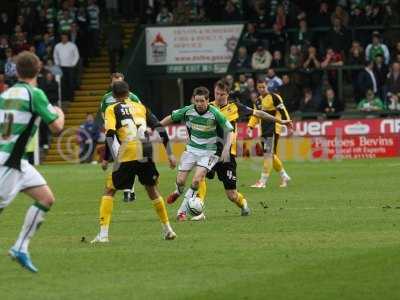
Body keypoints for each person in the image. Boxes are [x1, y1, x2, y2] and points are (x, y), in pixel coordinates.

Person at [187, 80, 292, 221]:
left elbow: (259, 114)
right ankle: (199, 209)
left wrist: (280, 121)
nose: (219, 97)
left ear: (228, 94)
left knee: (231, 195)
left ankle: (243, 203)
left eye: (222, 94)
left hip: (228, 154)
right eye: (217, 93)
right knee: (200, 176)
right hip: (210, 151)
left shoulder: (235, 107)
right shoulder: (208, 107)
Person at [0, 51, 64, 272]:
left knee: (46, 198)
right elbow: (57, 128)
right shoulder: (34, 94)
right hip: (8, 162)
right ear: (38, 70)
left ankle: (20, 247)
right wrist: (59, 112)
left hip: (18, 161)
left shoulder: (6, 94)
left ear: (16, 71)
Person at [91, 80, 177, 243]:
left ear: (114, 95)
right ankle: (168, 229)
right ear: (129, 93)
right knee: (152, 189)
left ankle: (103, 235)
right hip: (146, 150)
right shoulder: (141, 107)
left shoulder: (111, 108)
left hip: (128, 152)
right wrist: (170, 154)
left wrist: (106, 158)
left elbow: (109, 134)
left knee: (109, 190)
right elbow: (159, 127)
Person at [160, 87, 234, 221]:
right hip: (192, 149)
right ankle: (178, 191)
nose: (199, 104)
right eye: (197, 101)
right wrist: (156, 126)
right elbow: (170, 118)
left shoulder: (215, 113)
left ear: (208, 101)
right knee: (181, 180)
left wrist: (225, 149)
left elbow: (230, 131)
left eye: (202, 101)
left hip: (210, 151)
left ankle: (181, 212)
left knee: (196, 180)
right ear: (194, 100)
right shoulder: (188, 110)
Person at [100, 72, 141, 201]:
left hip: (128, 134)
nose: (118, 84)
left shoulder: (133, 97)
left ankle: (129, 191)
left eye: (120, 82)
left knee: (125, 160)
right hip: (113, 133)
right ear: (111, 83)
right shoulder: (106, 98)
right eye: (115, 82)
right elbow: (103, 114)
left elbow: (140, 111)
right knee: (121, 161)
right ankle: (127, 190)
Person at [248, 80, 292, 188]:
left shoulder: (274, 97)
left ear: (267, 86)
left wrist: (288, 122)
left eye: (263, 87)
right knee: (271, 155)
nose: (262, 89)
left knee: (268, 155)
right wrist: (250, 126)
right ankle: (284, 176)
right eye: (259, 87)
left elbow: (283, 110)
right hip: (263, 130)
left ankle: (262, 181)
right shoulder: (257, 101)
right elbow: (255, 115)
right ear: (257, 88)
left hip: (273, 129)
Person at [53, 32, 80, 102]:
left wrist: (73, 64)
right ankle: (64, 98)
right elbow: (55, 56)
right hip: (61, 67)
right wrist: (57, 64)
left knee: (71, 82)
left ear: (67, 38)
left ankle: (71, 98)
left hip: (70, 67)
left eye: (65, 37)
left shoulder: (72, 45)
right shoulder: (57, 46)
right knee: (63, 83)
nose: (64, 39)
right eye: (62, 37)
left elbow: (76, 55)